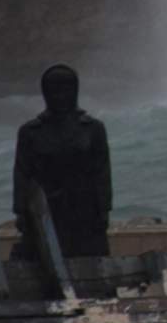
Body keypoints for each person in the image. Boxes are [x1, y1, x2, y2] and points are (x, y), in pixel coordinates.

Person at [11, 64, 112, 259]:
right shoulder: (31, 132)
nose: (60, 96)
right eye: (54, 90)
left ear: (75, 91)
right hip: (47, 210)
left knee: (90, 264)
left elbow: (102, 173)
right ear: (45, 93)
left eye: (66, 90)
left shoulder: (92, 129)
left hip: (85, 211)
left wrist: (104, 210)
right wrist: (20, 212)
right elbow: (22, 174)